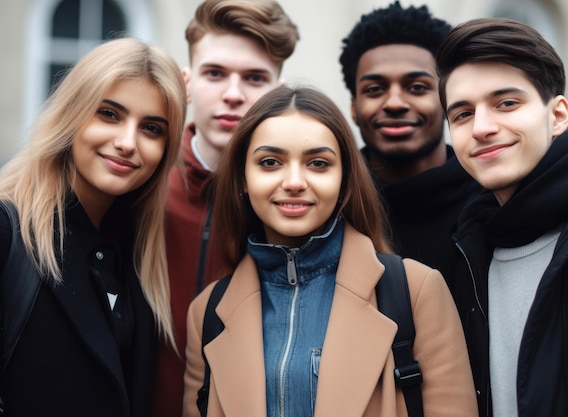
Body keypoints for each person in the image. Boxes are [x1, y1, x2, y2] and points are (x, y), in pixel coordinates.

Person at [182, 86, 478, 417]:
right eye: (270, 162)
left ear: (344, 179)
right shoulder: (207, 313)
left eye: (318, 163)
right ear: (242, 178)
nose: (294, 181)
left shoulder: (416, 291)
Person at [436, 17, 568, 417]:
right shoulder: (466, 254)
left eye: (506, 103)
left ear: (557, 115)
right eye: (463, 114)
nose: (483, 127)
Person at [0, 37, 186, 416]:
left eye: (151, 128)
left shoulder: (135, 252)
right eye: (109, 114)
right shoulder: (7, 231)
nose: (127, 142)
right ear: (73, 113)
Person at [155, 1, 300, 415]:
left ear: (278, 91)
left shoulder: (298, 206)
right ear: (186, 82)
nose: (233, 95)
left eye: (254, 78)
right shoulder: (139, 187)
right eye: (215, 73)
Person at [338, 1, 482, 284]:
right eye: (375, 89)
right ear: (354, 106)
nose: (394, 103)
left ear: (447, 100)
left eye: (417, 87)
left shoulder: (493, 200)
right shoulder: (330, 204)